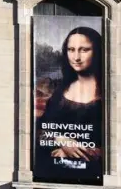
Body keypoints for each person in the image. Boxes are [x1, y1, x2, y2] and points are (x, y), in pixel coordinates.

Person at [34, 26, 104, 183]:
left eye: (84, 50)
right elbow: (38, 130)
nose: (76, 57)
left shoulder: (108, 94)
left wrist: (72, 152)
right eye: (71, 49)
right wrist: (60, 140)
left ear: (97, 51)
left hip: (92, 177)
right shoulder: (56, 91)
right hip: (48, 174)